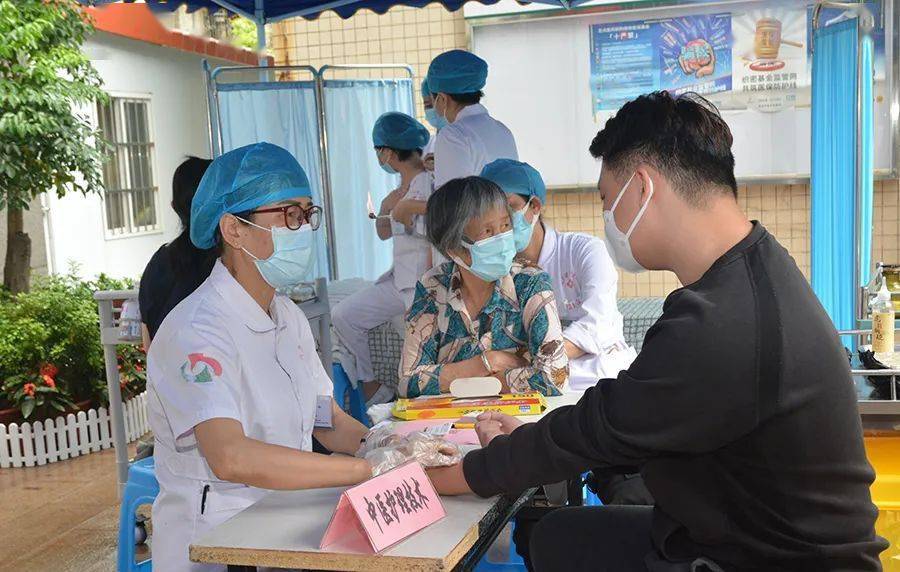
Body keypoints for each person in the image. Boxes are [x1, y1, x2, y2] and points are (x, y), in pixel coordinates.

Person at [428, 92, 887, 571]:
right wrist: (526, 436)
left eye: (607, 199)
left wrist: (455, 474)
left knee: (554, 536)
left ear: (642, 190)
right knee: (553, 535)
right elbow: (624, 417)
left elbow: (597, 430)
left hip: (773, 559)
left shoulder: (721, 321)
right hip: (741, 526)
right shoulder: (755, 267)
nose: (608, 218)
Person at [147, 142, 376, 571]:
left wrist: (377, 445)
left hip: (282, 528)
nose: (304, 227)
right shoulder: (196, 330)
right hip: (215, 543)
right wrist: (363, 472)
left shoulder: (286, 314)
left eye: (308, 214)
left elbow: (322, 416)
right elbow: (231, 456)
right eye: (288, 214)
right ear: (234, 230)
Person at [399, 176, 569, 398]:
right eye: (488, 232)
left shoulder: (530, 283)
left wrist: (468, 381)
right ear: (454, 249)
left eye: (506, 226)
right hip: (450, 423)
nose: (502, 239)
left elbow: (555, 377)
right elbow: (408, 382)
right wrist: (489, 362)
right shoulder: (434, 286)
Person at [480, 159, 636, 390]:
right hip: (527, 386)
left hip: (597, 379)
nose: (500, 221)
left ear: (534, 206)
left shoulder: (584, 251)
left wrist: (524, 360)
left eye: (509, 208)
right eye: (489, 212)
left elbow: (598, 323)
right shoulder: (491, 270)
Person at [332, 112, 434, 406]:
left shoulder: (429, 184)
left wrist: (402, 208)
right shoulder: (399, 191)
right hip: (399, 281)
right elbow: (383, 233)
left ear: (387, 152)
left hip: (423, 286)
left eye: (379, 151)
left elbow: (429, 229)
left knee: (416, 362)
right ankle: (372, 384)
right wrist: (389, 206)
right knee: (345, 315)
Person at [139, 156, 214, 348]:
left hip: (167, 375)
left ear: (174, 206)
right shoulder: (231, 261)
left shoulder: (159, 263)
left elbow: (148, 342)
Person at [426, 49, 518, 188]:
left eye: (432, 100)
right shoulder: (503, 130)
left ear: (442, 98)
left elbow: (451, 201)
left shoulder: (453, 135)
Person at [421, 78, 445, 172]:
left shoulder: (466, 139)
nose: (434, 110)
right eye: (428, 106)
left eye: (436, 103)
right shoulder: (428, 145)